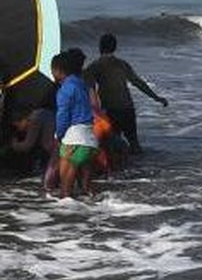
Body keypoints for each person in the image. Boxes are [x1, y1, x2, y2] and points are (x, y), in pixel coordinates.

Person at [84, 34, 168, 154]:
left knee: (112, 145)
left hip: (111, 109)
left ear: (100, 47)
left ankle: (123, 171)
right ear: (115, 47)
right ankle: (142, 168)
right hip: (128, 107)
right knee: (134, 143)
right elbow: (138, 83)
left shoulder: (95, 66)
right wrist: (156, 98)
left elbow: (88, 88)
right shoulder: (122, 64)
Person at [52, 51, 98, 198]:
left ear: (59, 70)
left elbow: (62, 116)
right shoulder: (82, 84)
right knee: (87, 191)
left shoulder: (65, 89)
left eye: (52, 69)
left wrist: (59, 135)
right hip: (90, 140)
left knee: (65, 193)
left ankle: (69, 219)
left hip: (73, 140)